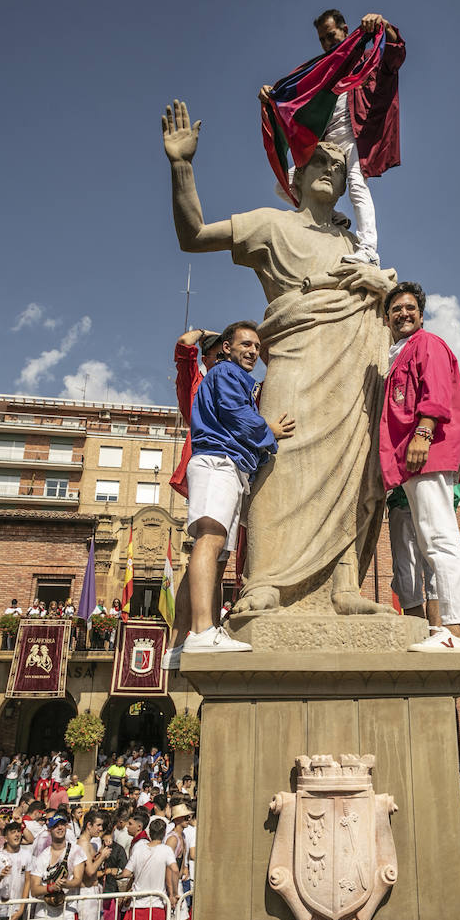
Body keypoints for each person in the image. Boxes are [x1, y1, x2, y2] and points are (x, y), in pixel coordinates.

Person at [163, 102, 397, 618]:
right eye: (320, 164)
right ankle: (264, 581)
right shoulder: (270, 224)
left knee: (351, 467)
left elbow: (390, 304)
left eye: (339, 170)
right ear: (298, 176)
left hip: (351, 360)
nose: (330, 172)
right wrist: (182, 166)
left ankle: (343, 587)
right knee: (281, 455)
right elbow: (193, 235)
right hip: (294, 349)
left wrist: (378, 284)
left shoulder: (355, 243)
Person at [179, 320, 293, 653]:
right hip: (218, 462)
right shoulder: (227, 374)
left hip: (227, 466)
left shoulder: (235, 377)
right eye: (246, 345)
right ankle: (201, 632)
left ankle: (192, 635)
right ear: (227, 348)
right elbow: (236, 414)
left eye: (257, 347)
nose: (253, 352)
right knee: (210, 540)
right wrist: (268, 429)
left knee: (214, 553)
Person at [260, 9, 405, 265]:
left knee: (358, 186)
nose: (328, 43)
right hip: (327, 144)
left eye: (331, 35)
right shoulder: (323, 71)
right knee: (285, 183)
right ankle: (334, 215)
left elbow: (395, 53)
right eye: (322, 40)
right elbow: (295, 99)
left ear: (345, 30)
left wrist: (382, 23)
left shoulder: (368, 59)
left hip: (356, 137)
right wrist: (273, 95)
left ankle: (369, 248)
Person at [379, 282, 460, 652]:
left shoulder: (427, 344)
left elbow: (436, 392)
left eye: (410, 308)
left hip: (427, 452)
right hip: (409, 461)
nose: (404, 313)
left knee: (439, 537)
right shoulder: (398, 354)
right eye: (396, 309)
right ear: (387, 318)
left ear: (421, 314)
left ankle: (454, 631)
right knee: (428, 540)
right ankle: (444, 630)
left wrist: (424, 433)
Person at [162, 327, 226, 668]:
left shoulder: (238, 385)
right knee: (208, 548)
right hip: (210, 469)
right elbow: (184, 347)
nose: (225, 360)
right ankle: (190, 634)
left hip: (233, 474)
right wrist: (203, 333)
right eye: (218, 355)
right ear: (207, 359)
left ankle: (195, 635)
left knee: (217, 561)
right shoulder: (197, 386)